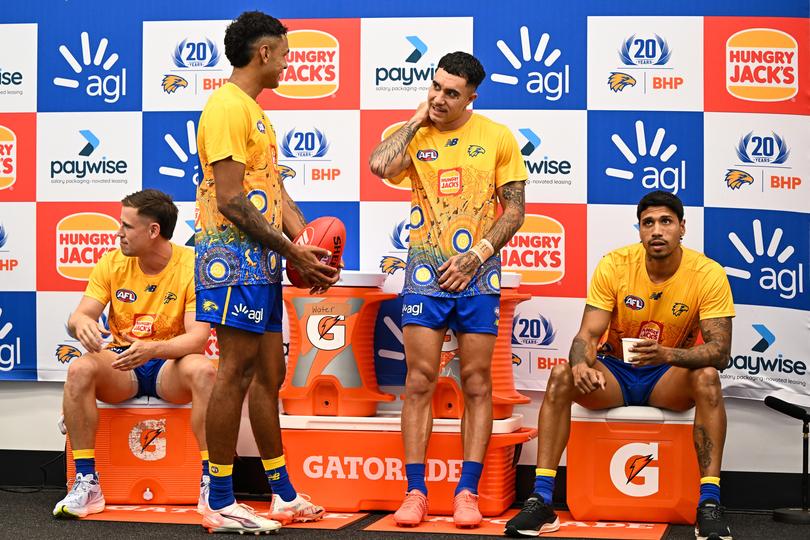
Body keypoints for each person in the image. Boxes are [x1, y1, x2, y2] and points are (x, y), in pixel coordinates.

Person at [505, 191, 735, 540]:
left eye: (666, 222)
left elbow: (720, 353)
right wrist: (580, 363)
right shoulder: (615, 264)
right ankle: (541, 501)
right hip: (615, 373)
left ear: (682, 228)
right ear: (639, 230)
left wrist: (667, 355)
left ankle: (709, 504)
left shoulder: (707, 273)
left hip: (667, 377)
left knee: (707, 377)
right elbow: (587, 334)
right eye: (648, 223)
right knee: (561, 374)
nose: (657, 230)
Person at [194, 10, 339, 535]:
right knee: (233, 371)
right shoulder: (226, 106)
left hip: (260, 260)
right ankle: (219, 497)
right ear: (264, 53)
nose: (288, 61)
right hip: (229, 258)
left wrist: (305, 247)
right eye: (284, 52)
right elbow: (233, 201)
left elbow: (272, 192)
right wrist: (294, 252)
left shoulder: (254, 111)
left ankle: (282, 493)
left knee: (268, 377)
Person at [369, 51, 528, 528]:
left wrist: (476, 256)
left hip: (478, 274)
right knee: (418, 381)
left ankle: (467, 492)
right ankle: (415, 491)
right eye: (435, 87)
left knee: (477, 383)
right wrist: (418, 118)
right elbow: (379, 165)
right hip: (424, 273)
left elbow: (515, 210)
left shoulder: (497, 137)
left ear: (471, 97)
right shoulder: (414, 132)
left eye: (451, 93)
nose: (439, 97)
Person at [53, 189, 215, 519]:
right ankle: (87, 482)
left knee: (205, 371)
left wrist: (154, 349)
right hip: (122, 364)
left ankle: (213, 481)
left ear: (153, 231)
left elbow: (197, 338)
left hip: (170, 364)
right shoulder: (111, 262)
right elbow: (79, 315)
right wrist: (80, 323)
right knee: (79, 370)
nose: (118, 233)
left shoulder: (192, 265)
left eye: (126, 226)